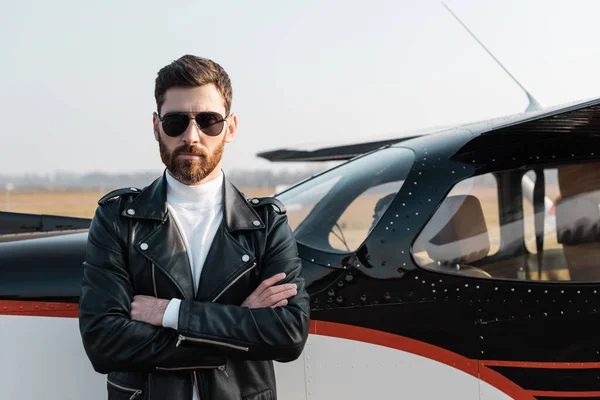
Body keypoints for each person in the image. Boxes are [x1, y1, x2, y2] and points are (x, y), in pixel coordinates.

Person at [78, 55, 310, 400]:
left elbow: (289, 334)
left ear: (230, 128)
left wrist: (170, 313)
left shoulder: (265, 224)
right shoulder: (118, 220)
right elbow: (104, 342)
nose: (191, 136)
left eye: (208, 121)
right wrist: (239, 324)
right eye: (175, 122)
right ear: (156, 126)